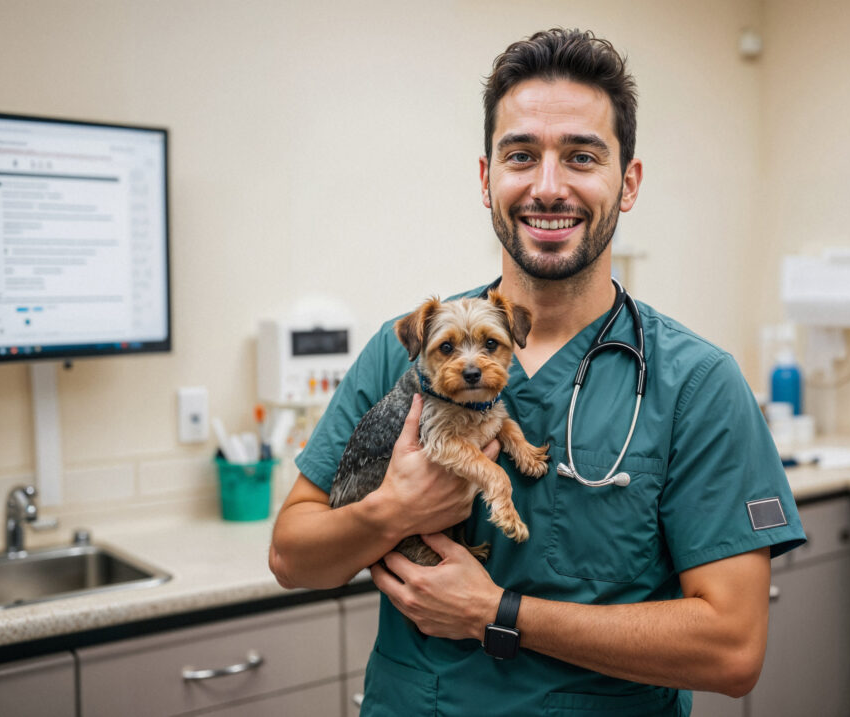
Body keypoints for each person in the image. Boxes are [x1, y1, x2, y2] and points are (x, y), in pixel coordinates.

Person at [270, 28, 805, 717]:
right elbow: (293, 557)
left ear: (628, 181)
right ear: (487, 178)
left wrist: (496, 610)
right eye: (521, 155)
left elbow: (732, 649)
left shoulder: (697, 384)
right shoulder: (402, 350)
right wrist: (391, 510)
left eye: (582, 156)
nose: (548, 187)